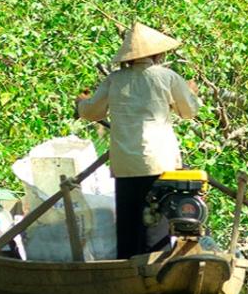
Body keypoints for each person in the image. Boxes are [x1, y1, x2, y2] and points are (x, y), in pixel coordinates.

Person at [76, 24, 203, 259]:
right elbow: (189, 111)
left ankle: (126, 268)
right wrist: (191, 92)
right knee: (155, 222)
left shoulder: (115, 80)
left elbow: (91, 112)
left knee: (128, 222)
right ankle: (155, 268)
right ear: (157, 55)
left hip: (126, 163)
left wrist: (81, 102)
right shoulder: (167, 77)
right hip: (159, 162)